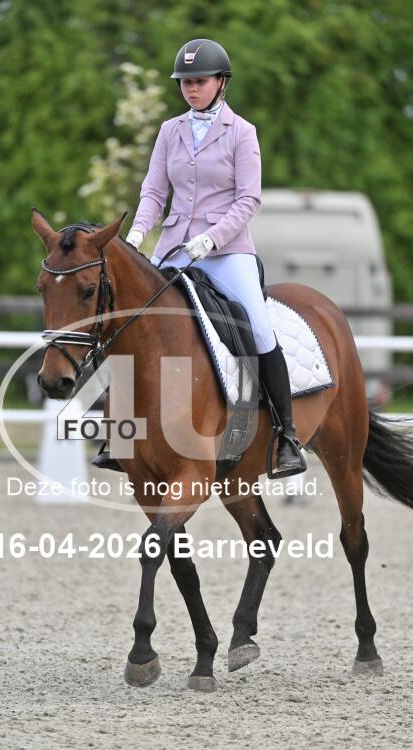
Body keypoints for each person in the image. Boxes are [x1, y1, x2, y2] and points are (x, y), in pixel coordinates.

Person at [97, 38, 306, 477]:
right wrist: (136, 234)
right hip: (174, 247)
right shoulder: (169, 130)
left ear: (221, 82)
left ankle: (285, 435)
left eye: (200, 81)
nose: (191, 89)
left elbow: (248, 199)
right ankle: (119, 431)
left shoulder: (242, 132)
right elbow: (154, 191)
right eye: (185, 82)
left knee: (257, 327)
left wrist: (212, 240)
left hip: (227, 251)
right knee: (134, 319)